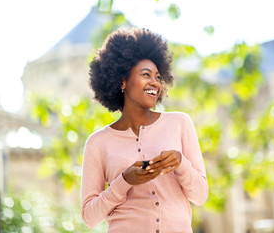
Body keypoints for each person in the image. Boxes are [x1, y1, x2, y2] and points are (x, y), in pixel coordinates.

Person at [81, 28, 208, 233]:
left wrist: (181, 163)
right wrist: (124, 182)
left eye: (158, 77)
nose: (154, 83)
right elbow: (89, 217)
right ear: (122, 81)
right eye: (146, 75)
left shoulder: (179, 123)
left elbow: (200, 196)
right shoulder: (98, 143)